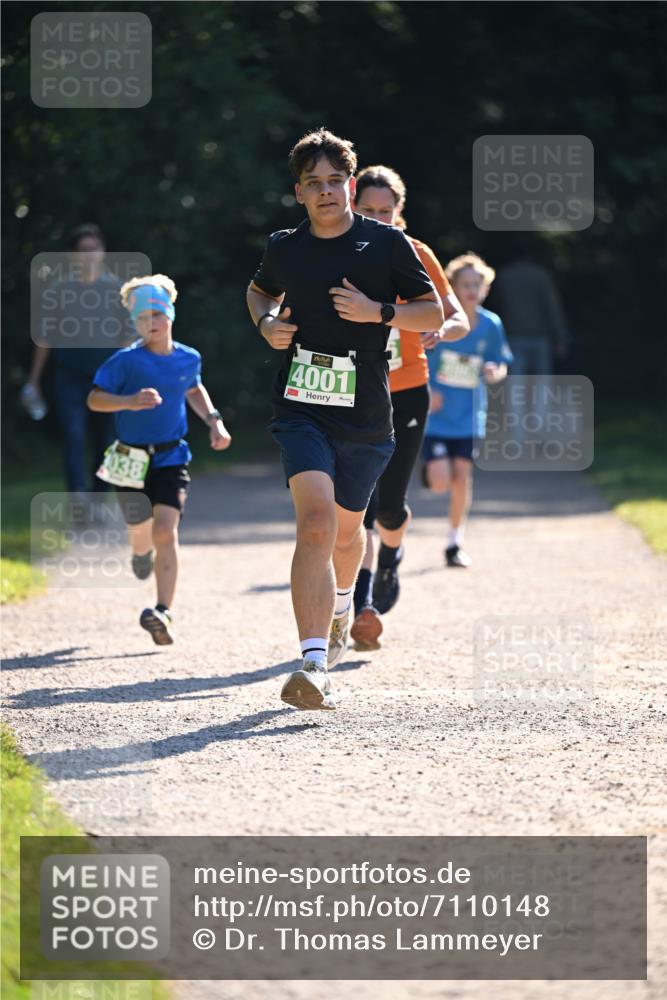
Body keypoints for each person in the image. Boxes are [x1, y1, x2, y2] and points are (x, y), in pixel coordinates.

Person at [246, 129, 443, 710]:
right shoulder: (286, 247)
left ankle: (341, 604)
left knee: (349, 531)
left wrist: (377, 311)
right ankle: (312, 664)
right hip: (301, 406)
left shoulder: (385, 245)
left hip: (365, 413)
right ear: (299, 193)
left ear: (350, 185)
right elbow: (258, 293)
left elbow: (430, 310)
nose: (327, 191)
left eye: (336, 180)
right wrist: (265, 324)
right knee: (314, 523)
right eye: (314, 183)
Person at [349, 165, 469, 651]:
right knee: (357, 505)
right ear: (354, 207)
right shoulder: (337, 251)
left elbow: (455, 313)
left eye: (386, 211)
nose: (377, 218)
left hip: (406, 390)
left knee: (391, 505)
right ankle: (361, 604)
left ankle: (391, 561)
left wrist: (443, 329)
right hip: (351, 391)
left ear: (400, 212)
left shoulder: (417, 254)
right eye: (368, 210)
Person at [87, 274, 232, 645]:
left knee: (166, 530)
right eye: (141, 318)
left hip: (170, 457)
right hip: (129, 460)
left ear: (169, 315)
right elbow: (95, 400)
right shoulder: (125, 362)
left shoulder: (188, 357)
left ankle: (163, 611)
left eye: (156, 314)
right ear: (133, 323)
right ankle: (140, 552)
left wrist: (214, 422)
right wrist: (128, 401)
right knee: (141, 535)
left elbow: (193, 387)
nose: (150, 322)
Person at [26, 224, 134, 508]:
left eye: (94, 249)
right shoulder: (59, 289)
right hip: (69, 379)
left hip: (108, 381)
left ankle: (99, 499)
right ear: (72, 255)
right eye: (83, 250)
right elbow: (45, 336)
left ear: (103, 252)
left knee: (107, 441)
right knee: (73, 436)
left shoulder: (117, 290)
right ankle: (77, 497)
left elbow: (128, 337)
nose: (90, 255)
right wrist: (33, 381)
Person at [422, 252, 513, 567]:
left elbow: (501, 362)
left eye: (478, 284)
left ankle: (454, 542)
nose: (472, 289)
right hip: (435, 415)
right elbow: (420, 358)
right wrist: (427, 391)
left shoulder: (491, 324)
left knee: (462, 478)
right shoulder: (442, 321)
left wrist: (494, 371)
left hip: (470, 415)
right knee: (440, 481)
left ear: (485, 288)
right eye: (466, 284)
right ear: (454, 287)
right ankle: (429, 471)